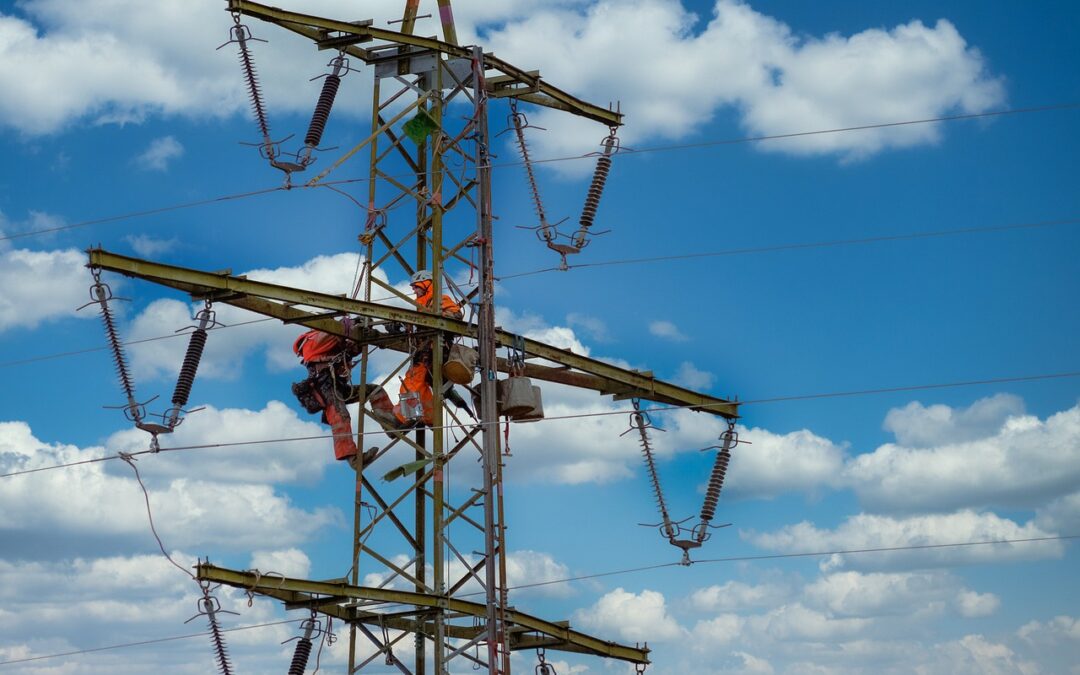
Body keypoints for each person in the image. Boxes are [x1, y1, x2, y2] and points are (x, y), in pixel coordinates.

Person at [394, 270, 464, 426]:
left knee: (412, 384)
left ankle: (404, 420)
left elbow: (457, 315)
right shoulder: (422, 305)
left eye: (416, 286)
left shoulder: (437, 300)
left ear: (427, 284)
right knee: (420, 386)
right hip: (425, 353)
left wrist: (435, 319)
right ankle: (429, 419)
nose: (414, 290)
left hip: (433, 351)